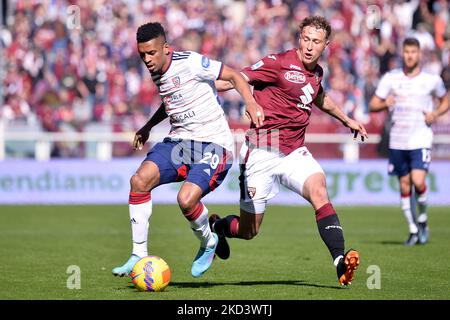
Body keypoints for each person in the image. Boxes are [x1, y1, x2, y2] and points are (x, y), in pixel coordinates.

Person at [212, 16, 367, 286]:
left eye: (316, 42)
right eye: (305, 39)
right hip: (262, 150)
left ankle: (340, 261)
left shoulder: (317, 73)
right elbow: (236, 78)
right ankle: (217, 226)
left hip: (295, 152)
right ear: (299, 39)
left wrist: (347, 120)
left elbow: (320, 97)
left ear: (326, 45)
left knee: (319, 190)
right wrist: (213, 86)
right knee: (249, 231)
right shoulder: (278, 62)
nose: (309, 46)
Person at [112, 22, 264, 278]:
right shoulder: (157, 71)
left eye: (151, 53)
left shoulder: (191, 62)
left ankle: (209, 243)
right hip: (180, 142)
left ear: (166, 49)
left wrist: (250, 102)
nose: (147, 60)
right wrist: (148, 126)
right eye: (142, 55)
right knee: (139, 181)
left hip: (214, 143)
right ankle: (138, 253)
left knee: (186, 199)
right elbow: (171, 100)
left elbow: (235, 76)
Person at [369, 37, 449, 246]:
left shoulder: (431, 80)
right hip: (398, 139)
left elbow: (445, 100)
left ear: (419, 54)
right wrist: (385, 102)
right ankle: (413, 230)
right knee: (404, 185)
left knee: (418, 181)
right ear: (402, 54)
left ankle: (422, 219)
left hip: (421, 137)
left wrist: (435, 113)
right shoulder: (391, 78)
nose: (410, 55)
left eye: (414, 52)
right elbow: (373, 104)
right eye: (407, 52)